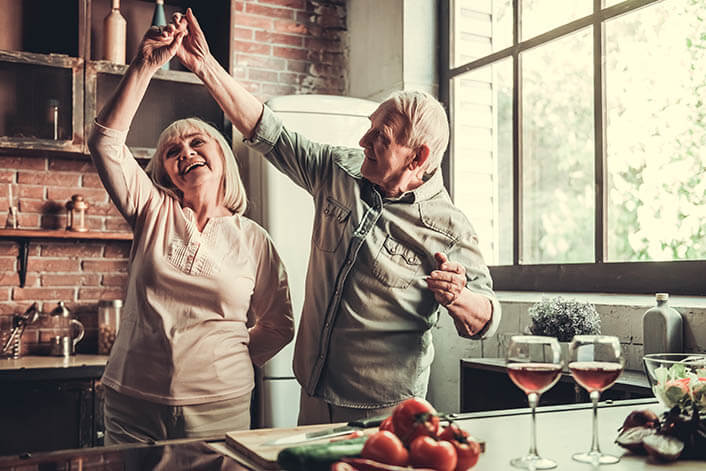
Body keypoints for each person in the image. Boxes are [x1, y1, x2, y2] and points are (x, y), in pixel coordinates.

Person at [173, 9, 501, 424]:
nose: (362, 140)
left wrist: (460, 297)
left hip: (384, 410)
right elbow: (267, 129)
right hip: (312, 390)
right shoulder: (339, 170)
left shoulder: (450, 228)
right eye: (369, 128)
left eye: (379, 138)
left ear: (417, 158)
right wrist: (205, 66)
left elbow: (486, 320)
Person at [87, 22, 294, 443]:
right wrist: (144, 66)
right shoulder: (152, 210)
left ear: (222, 156)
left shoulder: (253, 239)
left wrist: (224, 362)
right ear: (165, 171)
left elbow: (278, 325)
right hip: (134, 403)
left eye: (198, 142)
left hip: (222, 406)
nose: (186, 153)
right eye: (172, 152)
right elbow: (106, 143)